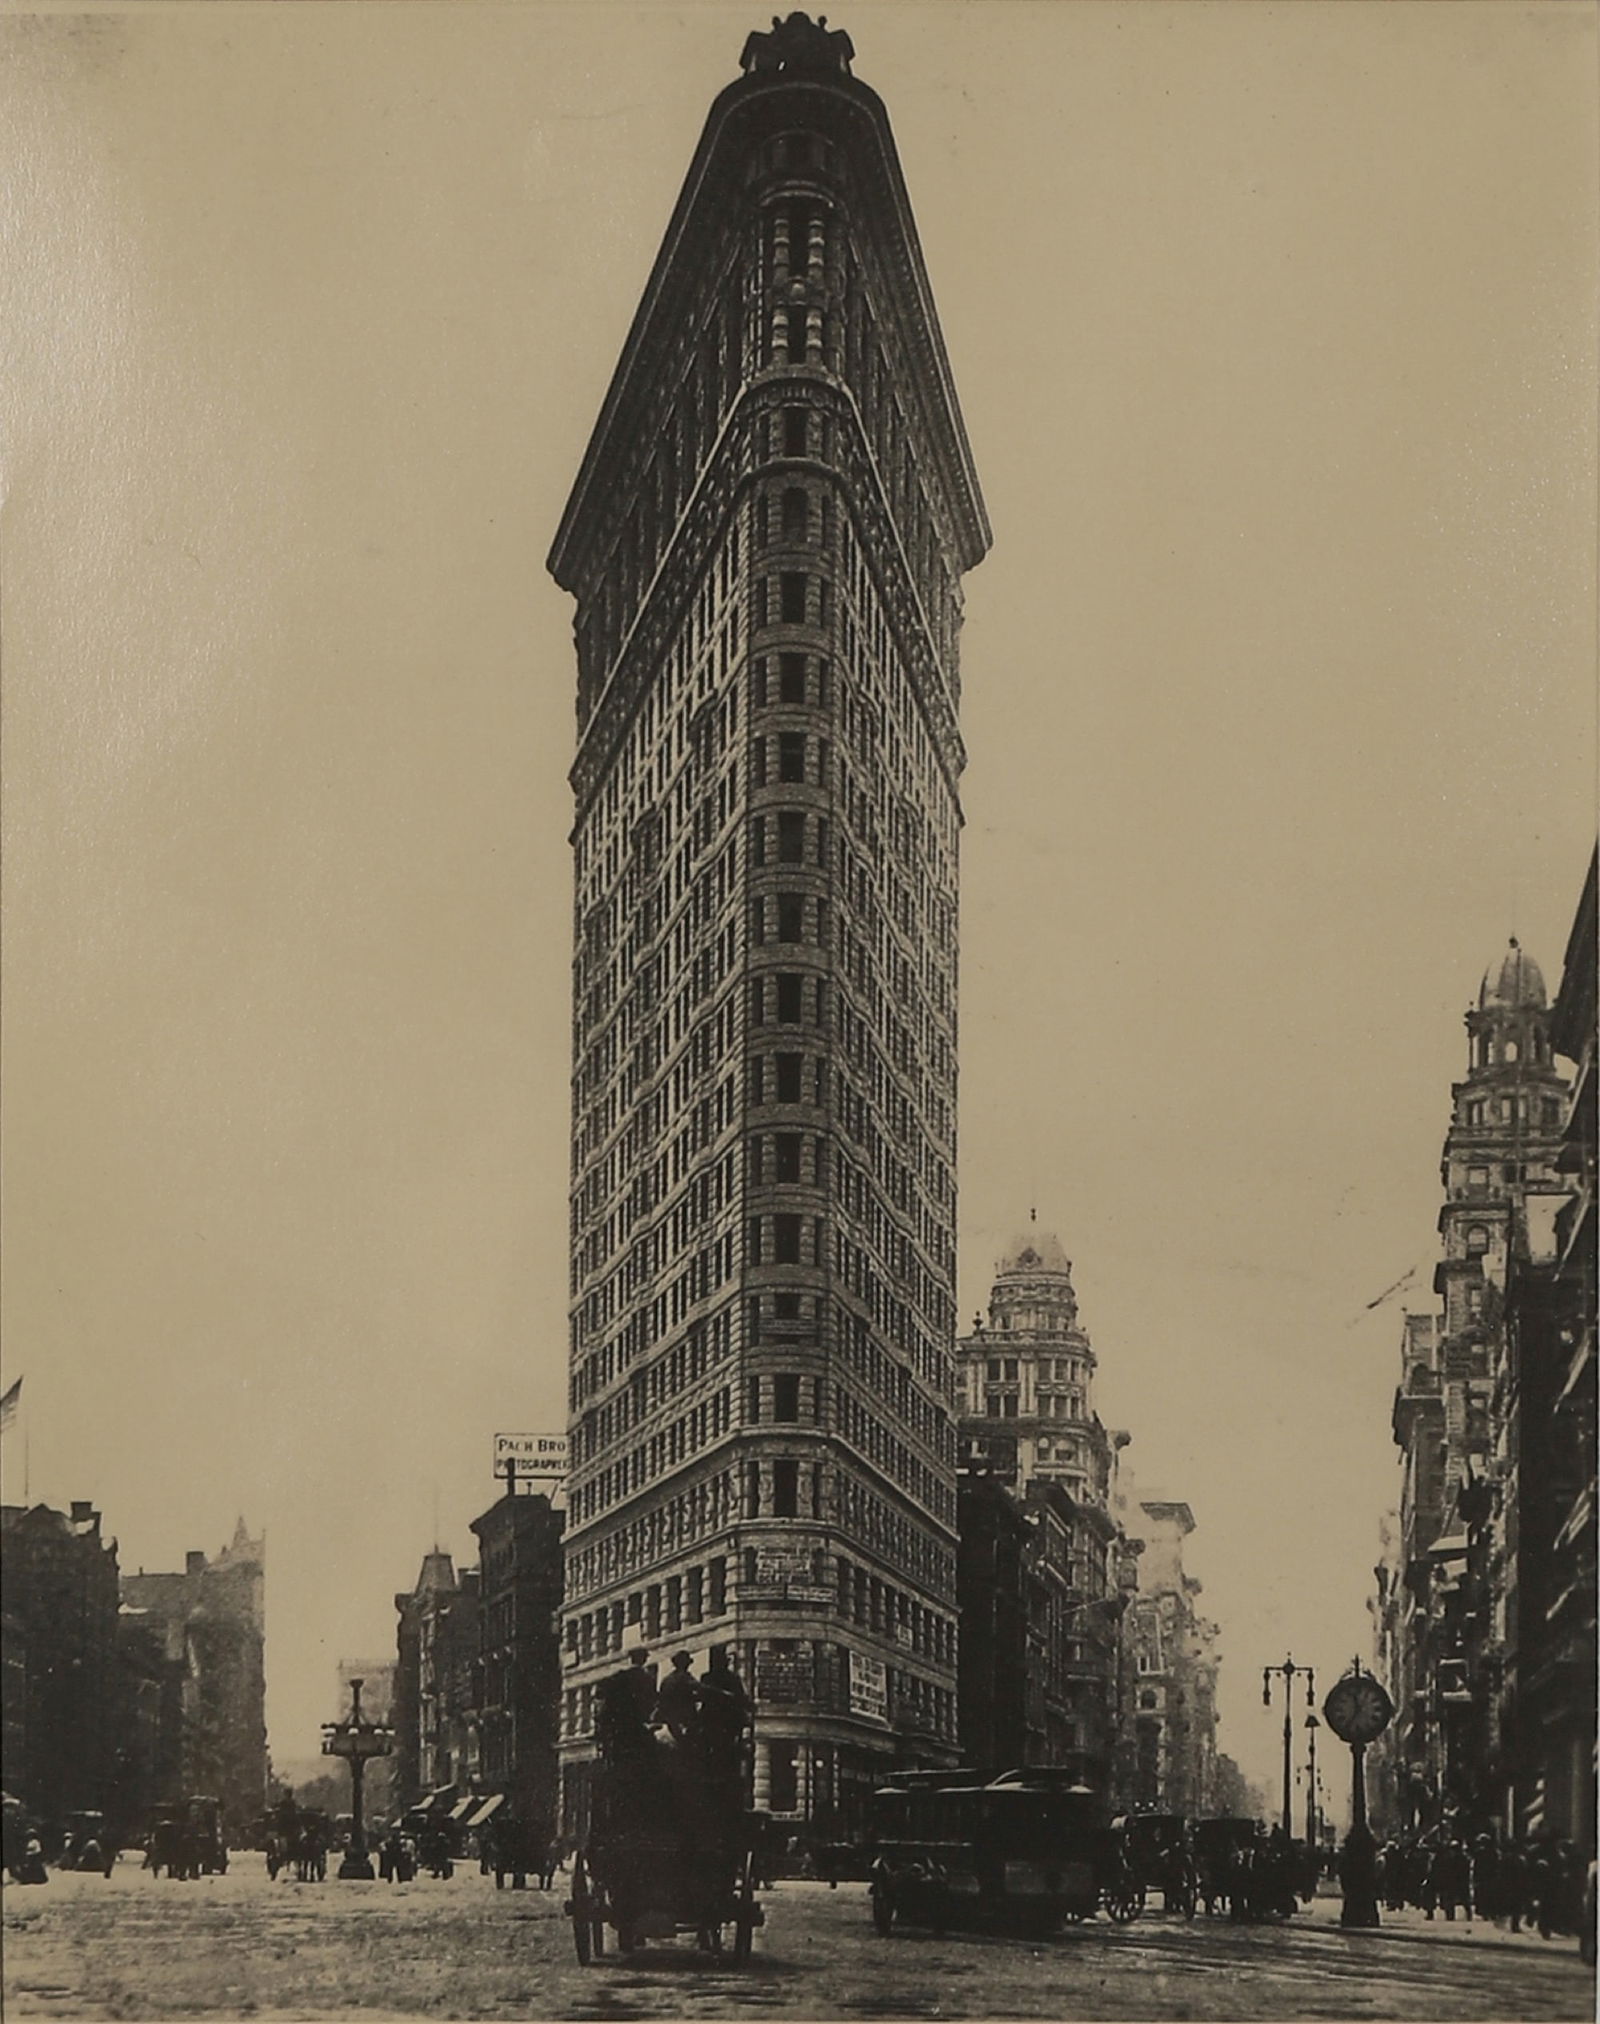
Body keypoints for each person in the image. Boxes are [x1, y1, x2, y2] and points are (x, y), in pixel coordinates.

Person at [653, 1651, 700, 1744]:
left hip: (669, 1718)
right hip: (684, 1717)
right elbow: (700, 1688)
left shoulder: (667, 1679)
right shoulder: (684, 1678)